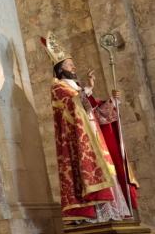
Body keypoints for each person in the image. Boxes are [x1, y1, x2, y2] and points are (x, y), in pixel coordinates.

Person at [41, 32, 137, 224]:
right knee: (89, 173)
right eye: (69, 65)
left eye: (72, 64)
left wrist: (112, 102)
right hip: (79, 140)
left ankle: (111, 215)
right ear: (60, 69)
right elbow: (71, 105)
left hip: (95, 136)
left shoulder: (77, 87)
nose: (73, 67)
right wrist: (87, 90)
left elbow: (96, 112)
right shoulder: (58, 87)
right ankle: (92, 216)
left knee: (107, 171)